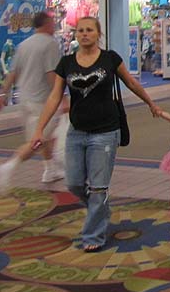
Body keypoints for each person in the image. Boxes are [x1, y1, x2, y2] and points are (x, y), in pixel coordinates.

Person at [30, 16, 162, 252]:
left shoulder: (110, 59)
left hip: (106, 133)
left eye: (89, 30)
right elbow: (54, 97)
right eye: (80, 30)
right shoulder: (66, 63)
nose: (84, 34)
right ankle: (99, 208)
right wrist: (39, 129)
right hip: (77, 132)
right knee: (73, 183)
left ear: (98, 33)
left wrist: (150, 103)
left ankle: (93, 236)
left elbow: (131, 83)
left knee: (99, 187)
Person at [0, 11, 66, 193]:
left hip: (24, 100)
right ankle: (8, 167)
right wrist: (62, 98)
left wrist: (2, 95)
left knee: (44, 136)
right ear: (47, 24)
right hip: (43, 101)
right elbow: (51, 74)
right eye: (52, 22)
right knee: (37, 140)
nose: (54, 25)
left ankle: (50, 170)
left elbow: (13, 73)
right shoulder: (50, 44)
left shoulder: (24, 45)